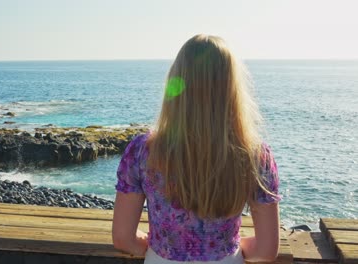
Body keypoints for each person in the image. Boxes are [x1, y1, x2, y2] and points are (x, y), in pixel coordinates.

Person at [112, 34, 281, 263]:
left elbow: (123, 238)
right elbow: (265, 250)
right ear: (232, 88)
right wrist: (231, 245)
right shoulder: (255, 156)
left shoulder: (142, 151)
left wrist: (158, 248)